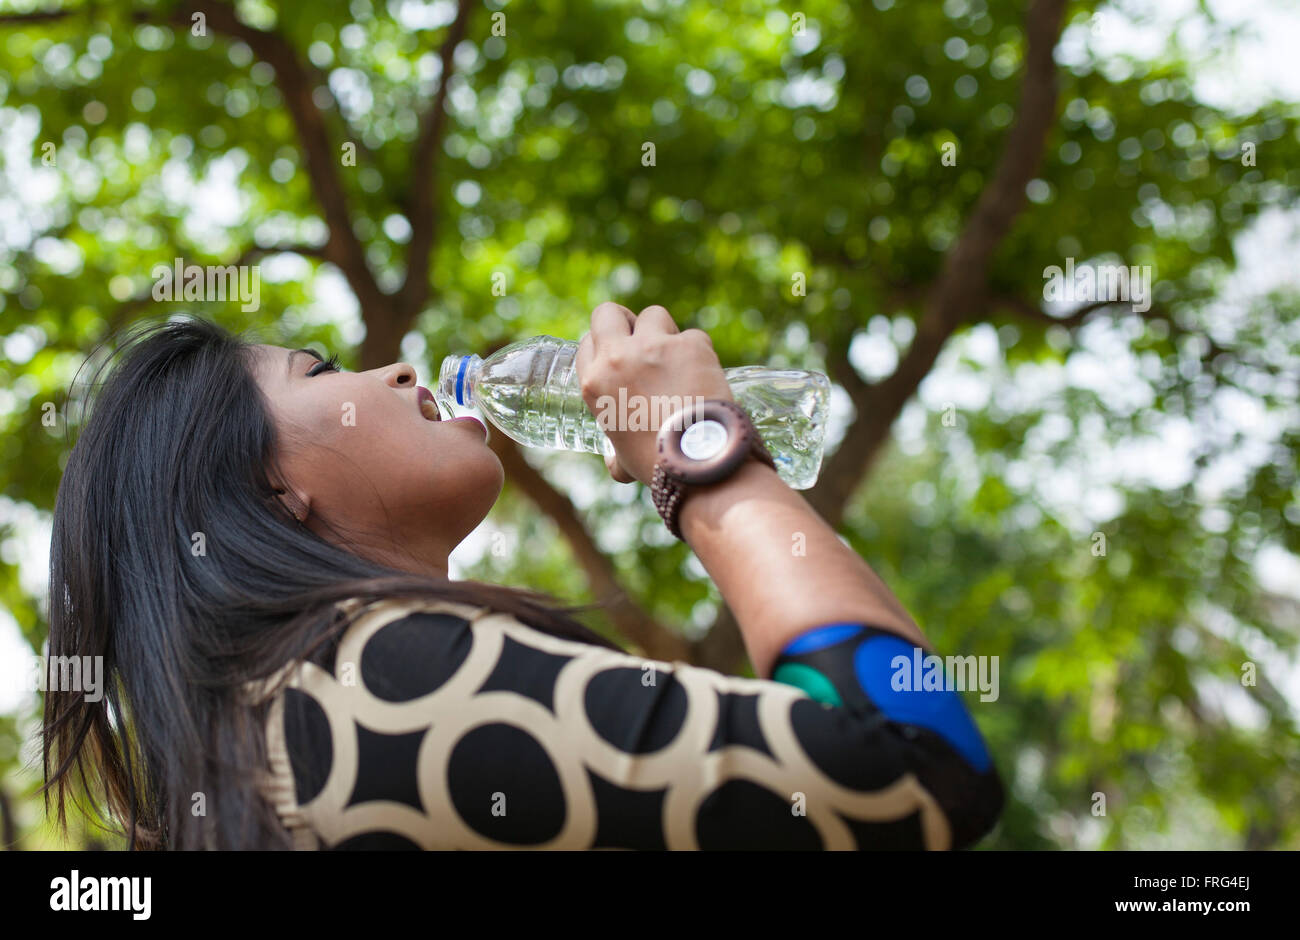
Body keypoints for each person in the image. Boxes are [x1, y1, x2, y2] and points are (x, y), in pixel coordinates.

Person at [41, 303, 1004, 849]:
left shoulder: (285, 733)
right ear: (265, 488)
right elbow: (913, 768)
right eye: (316, 369)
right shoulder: (380, 688)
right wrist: (700, 449)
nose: (390, 372)